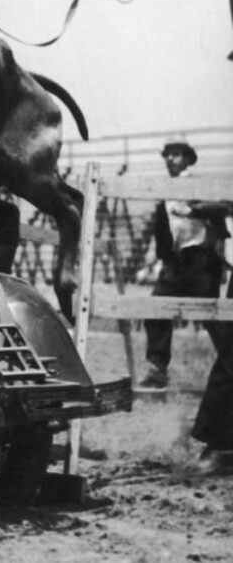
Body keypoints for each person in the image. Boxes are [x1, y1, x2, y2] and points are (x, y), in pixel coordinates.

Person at [137, 140, 233, 474]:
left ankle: (227, 352)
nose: (170, 160)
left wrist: (195, 210)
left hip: (201, 258)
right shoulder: (164, 190)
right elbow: (161, 229)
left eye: (176, 154)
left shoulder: (197, 183)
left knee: (209, 315)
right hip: (176, 261)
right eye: (166, 155)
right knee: (156, 306)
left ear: (188, 159)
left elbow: (223, 208)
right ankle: (157, 365)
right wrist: (155, 259)